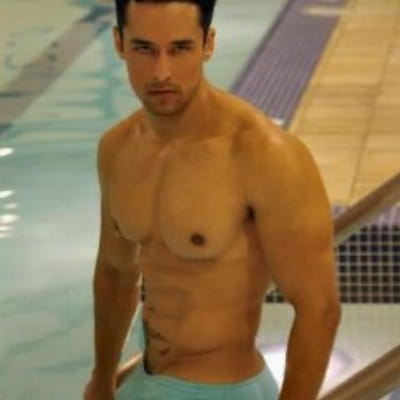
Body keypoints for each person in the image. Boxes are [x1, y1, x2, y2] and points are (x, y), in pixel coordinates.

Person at [83, 1, 342, 399]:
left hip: (223, 389)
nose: (161, 72)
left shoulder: (262, 155)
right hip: (145, 382)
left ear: (208, 44)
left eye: (180, 49)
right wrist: (102, 379)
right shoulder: (117, 148)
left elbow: (318, 309)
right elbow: (116, 274)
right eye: (145, 49)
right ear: (119, 43)